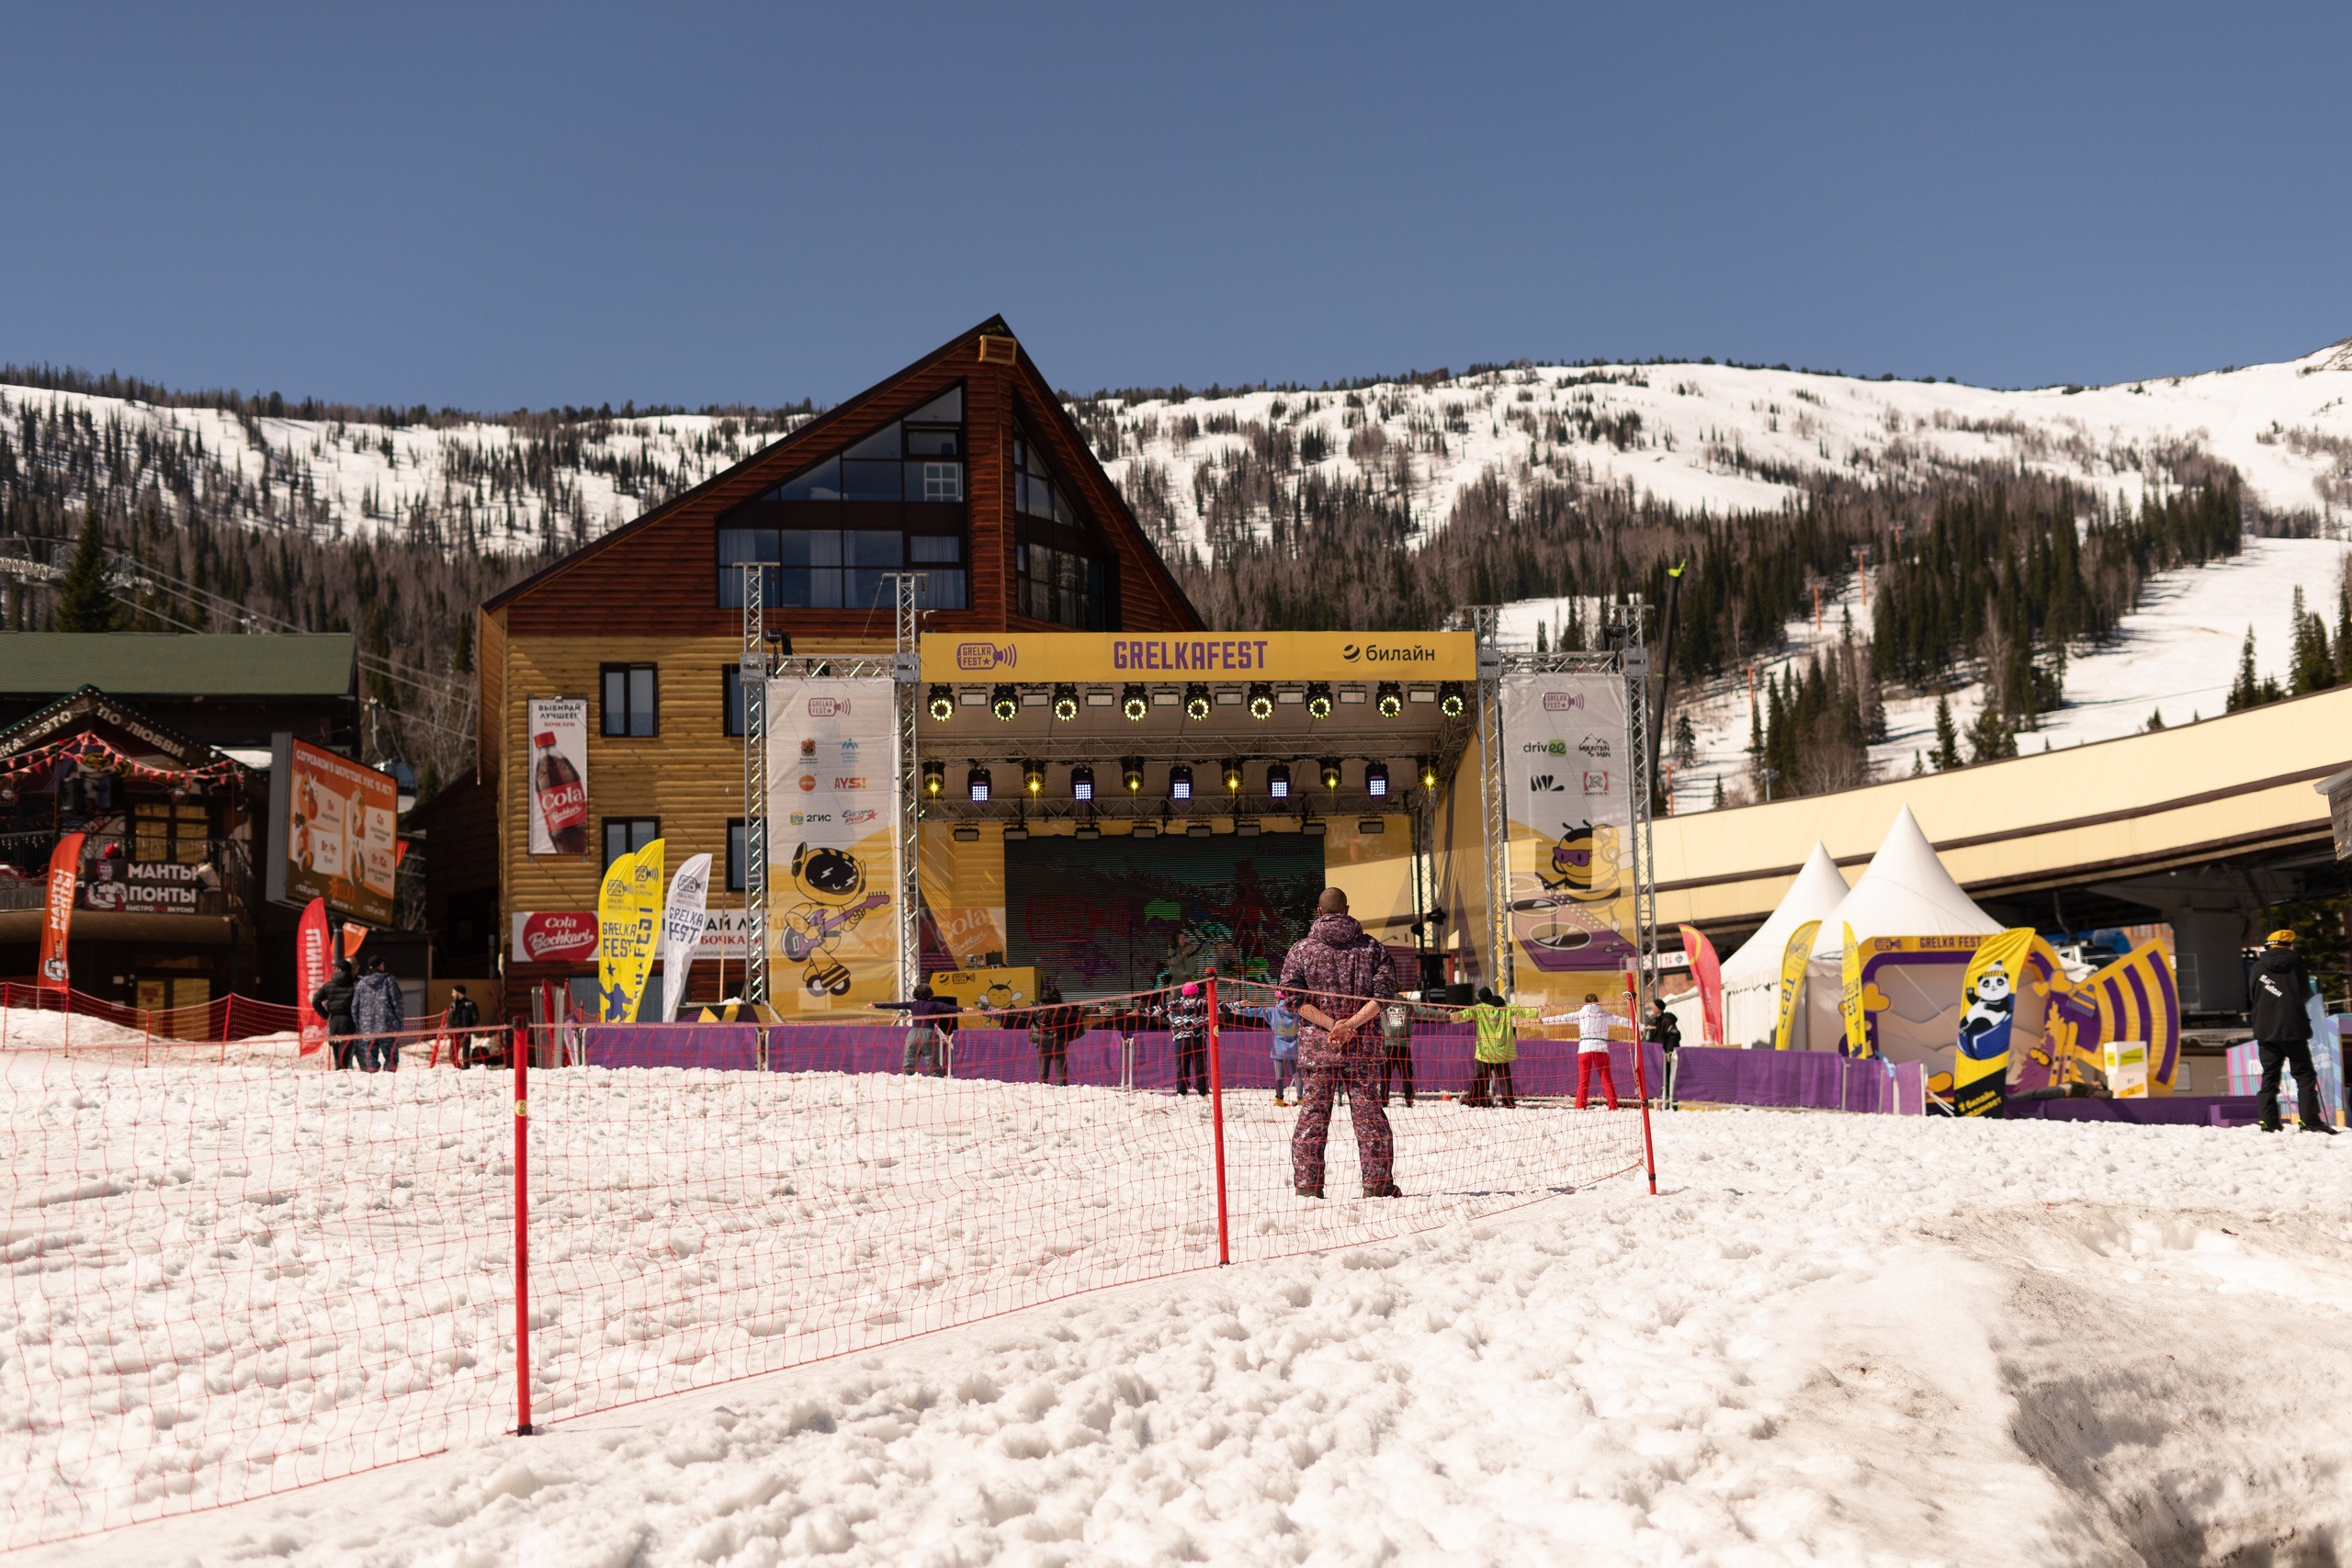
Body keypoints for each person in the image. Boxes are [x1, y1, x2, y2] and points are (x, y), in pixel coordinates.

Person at [1279, 888, 1399, 1199]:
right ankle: (1378, 1185)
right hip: (1364, 1047)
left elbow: (1293, 1000)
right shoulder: (1373, 948)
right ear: (1346, 909)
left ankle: (1308, 1187)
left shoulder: (1301, 950)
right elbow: (1384, 996)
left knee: (1313, 1117)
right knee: (1370, 1116)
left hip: (1318, 1049)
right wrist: (1351, 1025)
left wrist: (1333, 1026)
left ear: (1319, 912)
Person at [2249, 930, 2336, 1134]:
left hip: (2266, 1029)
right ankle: (2310, 1121)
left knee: (2269, 1077)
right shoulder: (2297, 964)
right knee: (2304, 1076)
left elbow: (2253, 995)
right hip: (2293, 1028)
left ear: (2270, 944)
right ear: (2289, 945)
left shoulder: (2258, 966)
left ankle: (2268, 1122)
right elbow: (2305, 993)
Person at [1462, 987, 1536, 1107]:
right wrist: (1540, 1011)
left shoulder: (1479, 1009)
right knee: (1505, 1080)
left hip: (1485, 1052)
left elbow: (1462, 1015)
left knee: (1481, 1080)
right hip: (1502, 1052)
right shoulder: (1506, 1007)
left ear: (1482, 999)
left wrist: (1446, 1015)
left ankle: (1477, 1101)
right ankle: (1508, 1103)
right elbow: (1524, 1011)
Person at [874, 985, 957, 1076]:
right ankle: (936, 1075)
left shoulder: (912, 1004)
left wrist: (876, 1005)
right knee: (931, 1057)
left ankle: (908, 1075)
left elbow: (895, 1005)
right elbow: (948, 1007)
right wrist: (962, 1009)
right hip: (928, 1033)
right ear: (929, 993)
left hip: (913, 1034)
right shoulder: (933, 1004)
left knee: (910, 1056)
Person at [1566, 991, 1630, 1109]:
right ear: (1598, 1002)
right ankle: (1613, 1106)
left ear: (1585, 1003)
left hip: (1585, 1049)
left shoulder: (1581, 1014)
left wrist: (1542, 1021)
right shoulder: (1604, 1014)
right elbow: (1622, 1021)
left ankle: (1580, 1106)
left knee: (1583, 1082)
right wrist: (1642, 1026)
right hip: (1601, 1049)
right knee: (1606, 1080)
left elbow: (1562, 1018)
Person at [352, 955, 406, 1073]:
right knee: (390, 1058)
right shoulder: (388, 980)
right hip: (388, 1027)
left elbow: (355, 1007)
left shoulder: (361, 984)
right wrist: (399, 1021)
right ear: (380, 965)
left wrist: (361, 1024)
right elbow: (398, 1003)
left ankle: (373, 1083)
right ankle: (389, 1083)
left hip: (367, 1029)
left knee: (370, 1060)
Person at [312, 957, 358, 1070]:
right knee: (345, 1049)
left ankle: (338, 1069)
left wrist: (326, 1015)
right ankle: (341, 1070)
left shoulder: (329, 985)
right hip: (348, 1020)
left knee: (336, 1048)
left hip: (333, 1019)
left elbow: (315, 1001)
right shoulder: (355, 984)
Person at [1029, 985, 1080, 1086]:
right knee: (1061, 1073)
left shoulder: (1036, 1008)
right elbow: (1080, 1013)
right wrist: (1098, 1009)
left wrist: (1003, 1011)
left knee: (1042, 1073)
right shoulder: (1063, 1009)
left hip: (1042, 1043)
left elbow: (1018, 1012)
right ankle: (1063, 1094)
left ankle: (1042, 1097)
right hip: (1059, 1042)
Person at [1168, 982, 1210, 1097]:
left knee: (1181, 1067)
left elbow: (1156, 1010)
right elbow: (1220, 1007)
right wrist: (1238, 1005)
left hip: (1180, 1041)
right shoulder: (1203, 1003)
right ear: (1197, 992)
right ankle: (1203, 1092)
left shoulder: (1174, 1005)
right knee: (1200, 1067)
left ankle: (1182, 1092)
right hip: (1198, 1040)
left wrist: (1140, 1011)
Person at [1378, 993, 1419, 1108]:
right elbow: (1425, 1012)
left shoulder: (1384, 1004)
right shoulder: (1408, 1005)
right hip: (1403, 1046)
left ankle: (1384, 1100)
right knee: (1406, 1075)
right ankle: (1409, 1101)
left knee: (1385, 1076)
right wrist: (1446, 1016)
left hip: (1388, 1045)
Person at [1647, 998, 1682, 1111]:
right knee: (1659, 1080)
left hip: (1665, 1055)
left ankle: (1669, 1103)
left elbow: (1674, 1036)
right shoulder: (1655, 1020)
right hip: (1657, 1055)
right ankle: (1660, 1103)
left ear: (1657, 1008)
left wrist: (1669, 1051)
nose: (1651, 1008)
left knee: (1667, 1080)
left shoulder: (1667, 1020)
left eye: (1653, 1006)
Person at [1268, 992, 1301, 1106]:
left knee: (1279, 1075)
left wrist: (1236, 1009)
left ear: (1277, 998)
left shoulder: (1272, 1011)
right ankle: (1301, 1100)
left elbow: (1253, 1013)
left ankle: (1279, 1100)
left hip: (1279, 1049)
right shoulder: (1298, 1011)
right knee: (1298, 1075)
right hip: (1295, 1048)